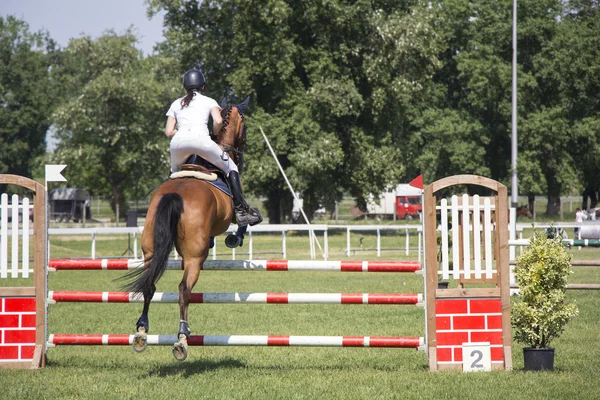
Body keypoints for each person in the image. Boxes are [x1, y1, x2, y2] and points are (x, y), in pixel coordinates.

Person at [165, 67, 262, 226]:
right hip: (202, 141)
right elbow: (218, 122)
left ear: (185, 87)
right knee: (231, 167)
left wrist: (182, 131)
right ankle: (240, 210)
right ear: (203, 87)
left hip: (178, 144)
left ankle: (165, 206)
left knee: (173, 174)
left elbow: (169, 132)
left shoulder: (176, 103)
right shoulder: (209, 101)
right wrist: (214, 133)